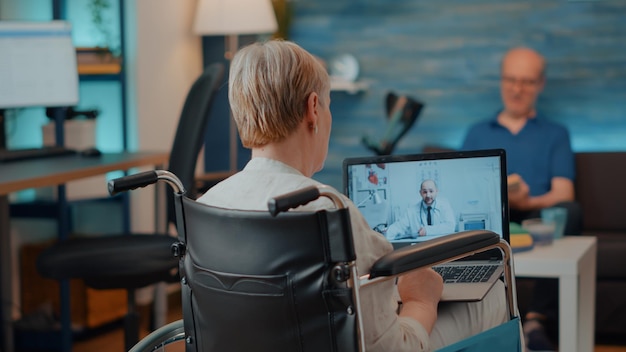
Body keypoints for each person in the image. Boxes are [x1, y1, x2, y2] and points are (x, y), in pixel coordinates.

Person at [197, 39, 509, 351]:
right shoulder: (331, 213)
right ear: (314, 108)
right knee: (493, 295)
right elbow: (390, 348)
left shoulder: (206, 205)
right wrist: (421, 301)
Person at [462, 46, 581, 351]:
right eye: (511, 80)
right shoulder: (477, 133)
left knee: (571, 210)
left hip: (537, 219)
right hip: (491, 221)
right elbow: (463, 189)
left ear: (540, 84)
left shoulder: (556, 133)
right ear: (501, 81)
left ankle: (536, 319)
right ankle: (492, 317)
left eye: (527, 82)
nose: (517, 89)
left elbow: (564, 192)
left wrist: (528, 202)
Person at [385, 179, 456, 240]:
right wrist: (382, 237)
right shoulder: (411, 211)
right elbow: (398, 227)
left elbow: (450, 227)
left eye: (431, 191)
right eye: (425, 192)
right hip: (421, 248)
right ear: (420, 193)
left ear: (436, 191)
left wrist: (427, 230)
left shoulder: (444, 206)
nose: (428, 195)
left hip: (440, 246)